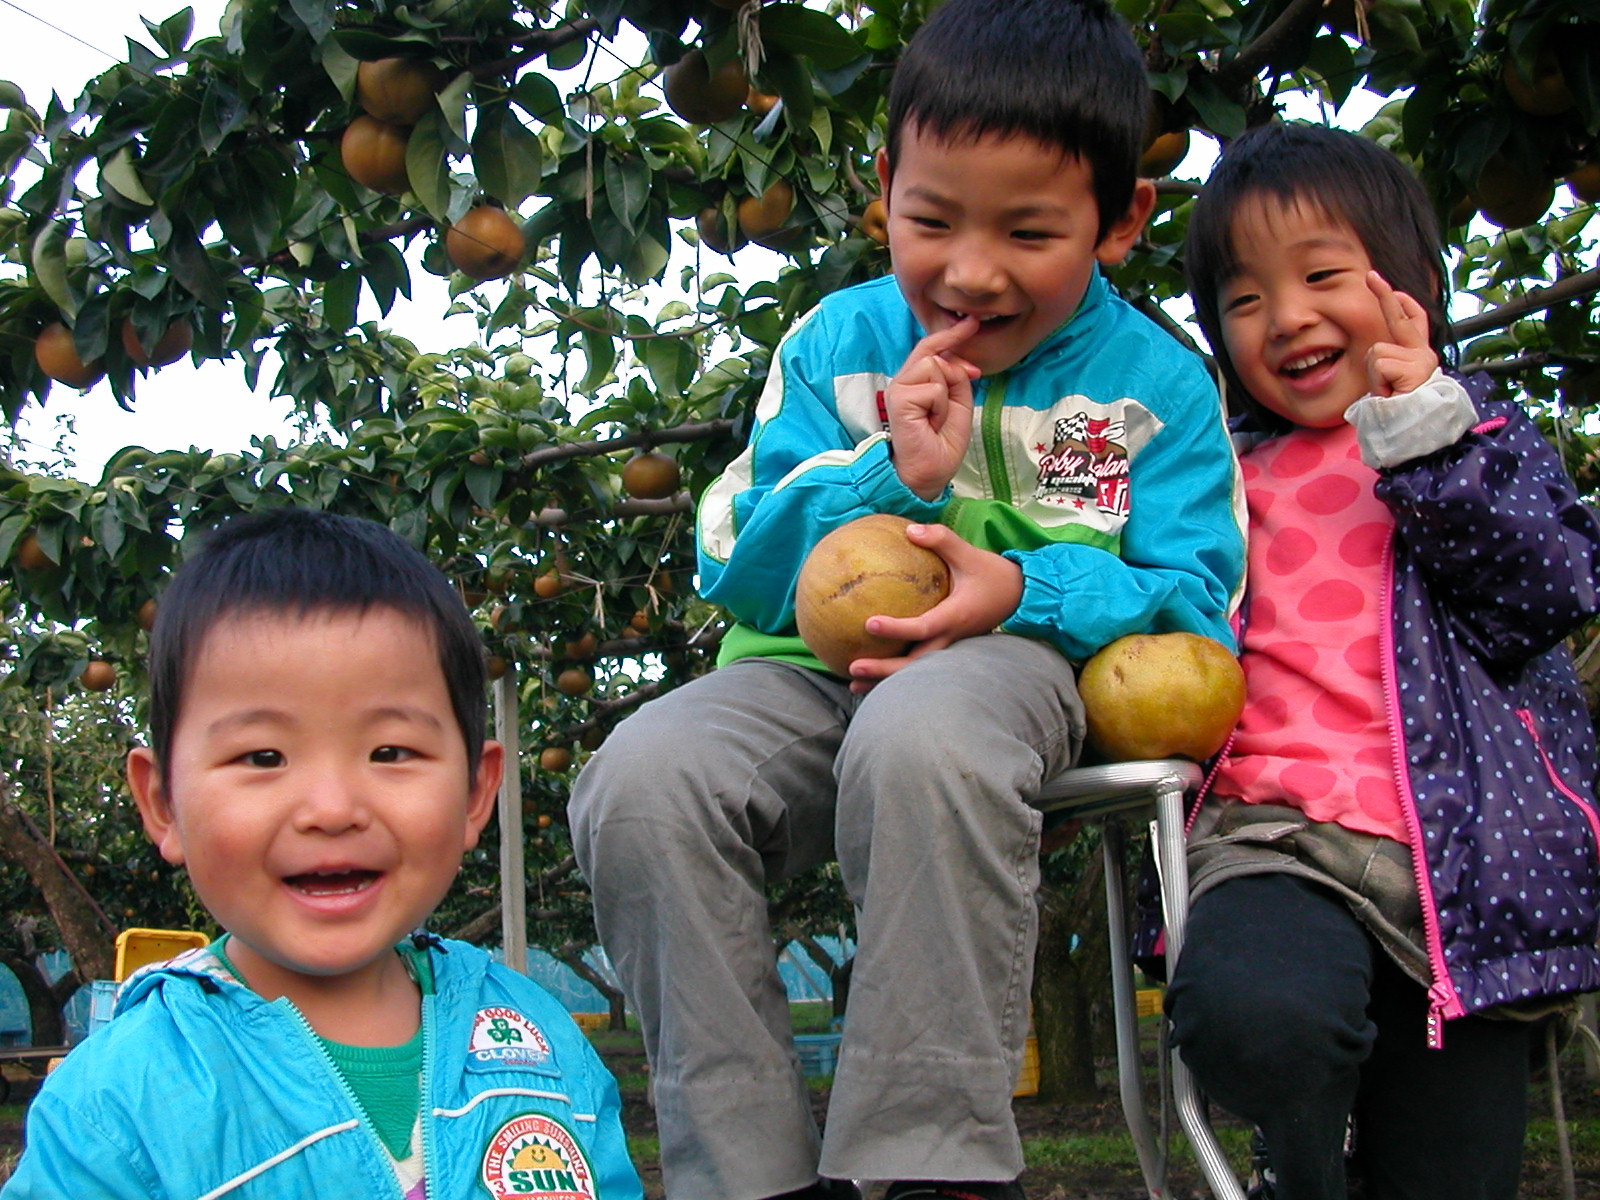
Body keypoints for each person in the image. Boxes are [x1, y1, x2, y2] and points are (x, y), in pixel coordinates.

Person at [567, 1, 1246, 1196]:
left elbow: (1196, 603)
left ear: (1121, 220)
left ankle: (924, 1170)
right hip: (800, 668)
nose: (969, 273)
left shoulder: (1155, 389)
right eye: (931, 220)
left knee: (923, 733)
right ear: (884, 187)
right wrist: (881, 473)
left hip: (1011, 673)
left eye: (1029, 233)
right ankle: (751, 1177)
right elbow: (730, 554)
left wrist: (1020, 587)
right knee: (641, 780)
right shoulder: (838, 342)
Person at [1164, 120, 1600, 1200]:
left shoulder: (1479, 433)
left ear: (1409, 289)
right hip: (1275, 839)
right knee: (1253, 1018)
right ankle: (1299, 1178)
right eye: (1244, 297)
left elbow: (1543, 594)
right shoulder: (1219, 471)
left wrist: (1427, 438)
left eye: (1321, 275)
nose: (1288, 317)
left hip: (1467, 871)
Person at [4, 510, 642, 1200]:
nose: (333, 809)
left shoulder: (537, 1040)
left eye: (390, 752)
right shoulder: (118, 1103)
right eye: (263, 756)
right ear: (163, 804)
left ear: (473, 794)